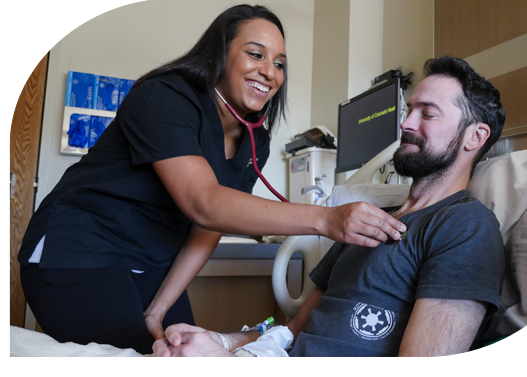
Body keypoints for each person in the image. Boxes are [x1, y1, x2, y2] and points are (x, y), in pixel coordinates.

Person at [17, 4, 406, 355]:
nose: (269, 72)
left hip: (148, 261)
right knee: (143, 356)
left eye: (280, 63)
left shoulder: (255, 137)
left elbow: (209, 225)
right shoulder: (164, 97)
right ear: (220, 55)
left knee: (187, 348)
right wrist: (327, 218)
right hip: (78, 247)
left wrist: (159, 306)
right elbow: (203, 202)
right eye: (256, 54)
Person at [153, 54, 507, 357]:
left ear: (475, 137)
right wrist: (221, 342)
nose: (406, 123)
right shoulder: (364, 222)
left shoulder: (465, 227)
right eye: (409, 109)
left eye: (427, 114)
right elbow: (292, 331)